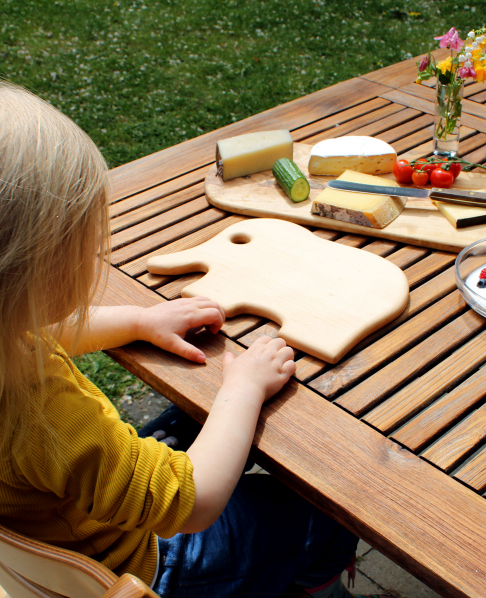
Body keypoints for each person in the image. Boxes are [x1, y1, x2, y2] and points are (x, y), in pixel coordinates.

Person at [0, 82, 393, 598]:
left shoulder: (11, 343)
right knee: (327, 508)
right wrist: (243, 388)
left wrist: (137, 321)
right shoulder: (42, 411)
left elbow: (37, 330)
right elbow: (194, 500)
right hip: (152, 560)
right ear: (35, 275)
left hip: (67, 521)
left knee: (195, 416)